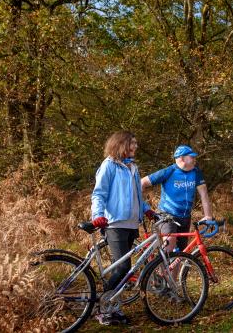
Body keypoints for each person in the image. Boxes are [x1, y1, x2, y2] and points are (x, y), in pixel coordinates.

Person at [90, 131, 153, 326]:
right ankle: (100, 308)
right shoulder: (109, 166)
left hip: (131, 224)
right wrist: (97, 216)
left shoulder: (133, 167)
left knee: (126, 270)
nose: (135, 147)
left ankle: (113, 309)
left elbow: (137, 196)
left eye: (135, 144)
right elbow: (99, 194)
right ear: (120, 145)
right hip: (115, 223)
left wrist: (148, 210)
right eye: (131, 144)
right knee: (123, 267)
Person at [141, 145, 213, 253]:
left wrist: (208, 215)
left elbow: (204, 194)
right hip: (167, 215)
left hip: (185, 217)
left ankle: (170, 270)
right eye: (192, 157)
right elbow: (142, 183)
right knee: (170, 247)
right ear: (182, 158)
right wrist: (142, 205)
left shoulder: (196, 172)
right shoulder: (169, 171)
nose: (194, 160)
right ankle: (162, 269)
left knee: (180, 254)